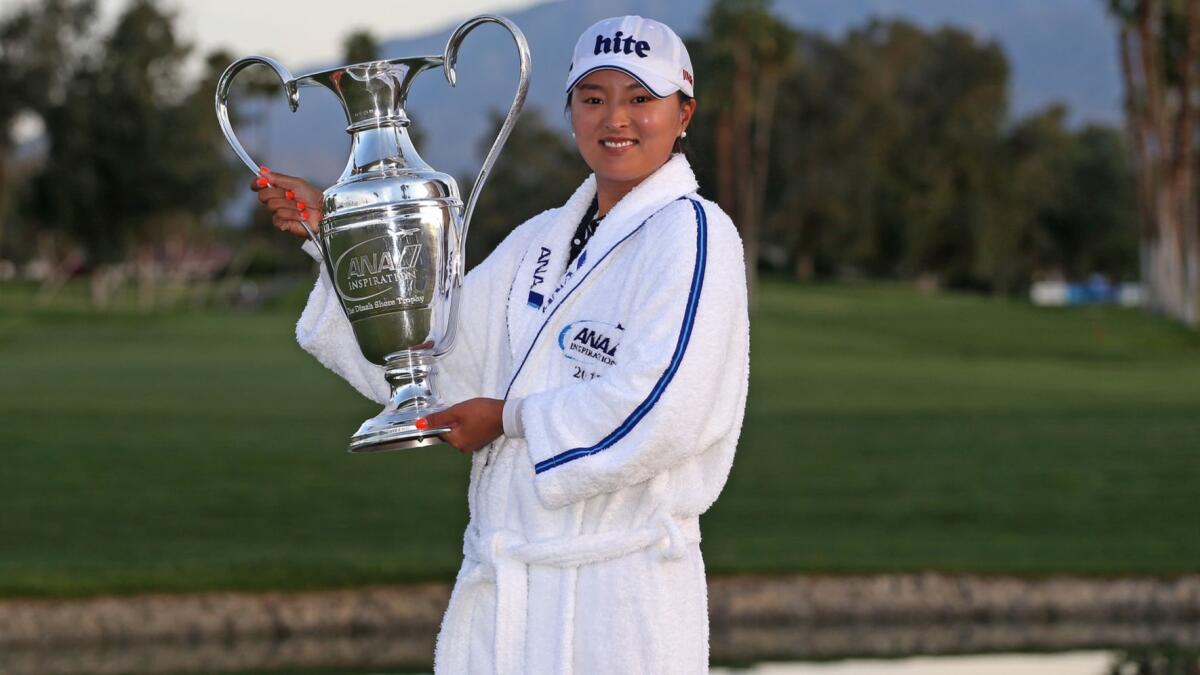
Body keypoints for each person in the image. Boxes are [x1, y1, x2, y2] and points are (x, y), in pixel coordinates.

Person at [253, 15, 749, 674]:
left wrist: (510, 417)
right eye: (593, 97)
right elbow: (438, 365)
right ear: (570, 109)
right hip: (506, 613)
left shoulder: (694, 235)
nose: (615, 119)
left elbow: (664, 408)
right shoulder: (539, 242)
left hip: (617, 611)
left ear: (684, 112)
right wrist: (338, 238)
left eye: (640, 98)